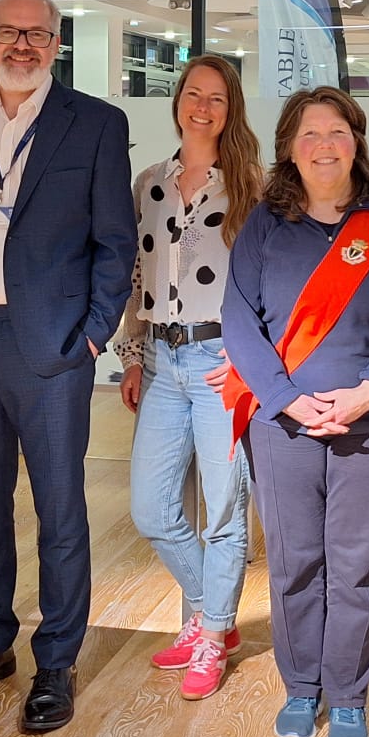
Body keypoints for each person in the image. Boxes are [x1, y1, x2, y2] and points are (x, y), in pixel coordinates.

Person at [0, 0, 134, 734]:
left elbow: (117, 242)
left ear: (55, 44)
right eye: (7, 32)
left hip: (52, 345)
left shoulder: (96, 125)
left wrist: (92, 333)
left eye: (36, 34)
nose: (21, 45)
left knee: (59, 511)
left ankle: (56, 660)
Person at [222, 86, 369, 737]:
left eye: (336, 132)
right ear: (288, 145)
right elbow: (238, 319)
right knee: (292, 561)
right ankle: (300, 686)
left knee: (357, 564)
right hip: (282, 422)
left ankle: (346, 695)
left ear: (357, 141)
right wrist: (285, 398)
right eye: (309, 134)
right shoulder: (263, 223)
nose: (323, 146)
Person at [116, 55, 262, 701]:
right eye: (193, 95)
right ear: (177, 101)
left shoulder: (252, 186)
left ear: (231, 110)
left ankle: (208, 635)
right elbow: (136, 277)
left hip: (221, 364)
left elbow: (271, 283)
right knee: (152, 511)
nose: (202, 107)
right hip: (163, 364)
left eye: (217, 99)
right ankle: (215, 616)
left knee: (225, 513)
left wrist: (253, 361)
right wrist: (131, 355)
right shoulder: (149, 181)